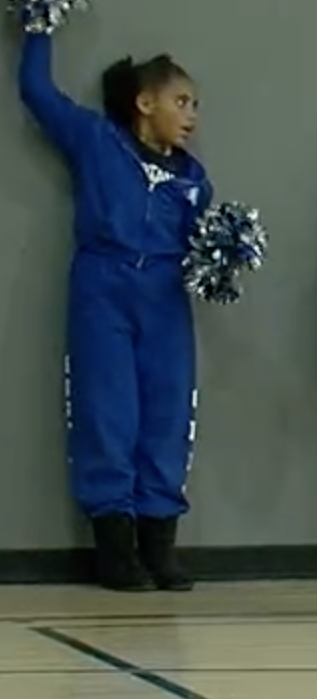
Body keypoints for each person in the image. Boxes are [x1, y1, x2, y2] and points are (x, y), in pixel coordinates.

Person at [14, 30, 209, 592]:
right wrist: (40, 24)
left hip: (167, 296)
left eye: (195, 105)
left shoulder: (194, 181)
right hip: (104, 285)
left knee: (168, 415)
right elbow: (36, 90)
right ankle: (115, 550)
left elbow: (202, 245)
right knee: (107, 411)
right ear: (144, 103)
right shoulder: (98, 141)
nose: (191, 115)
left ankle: (159, 543)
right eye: (182, 101)